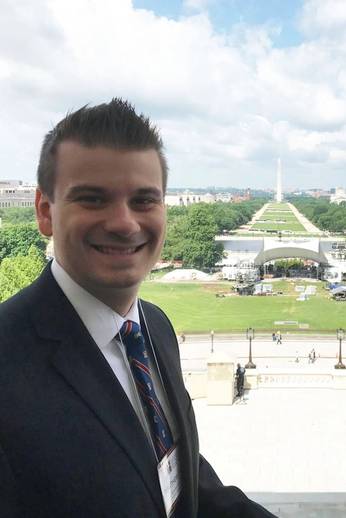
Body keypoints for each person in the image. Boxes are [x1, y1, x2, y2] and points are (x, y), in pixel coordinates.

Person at [0, 99, 276, 518]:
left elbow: (177, 473)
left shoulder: (156, 326)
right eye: (93, 199)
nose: (125, 223)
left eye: (145, 200)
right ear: (45, 212)